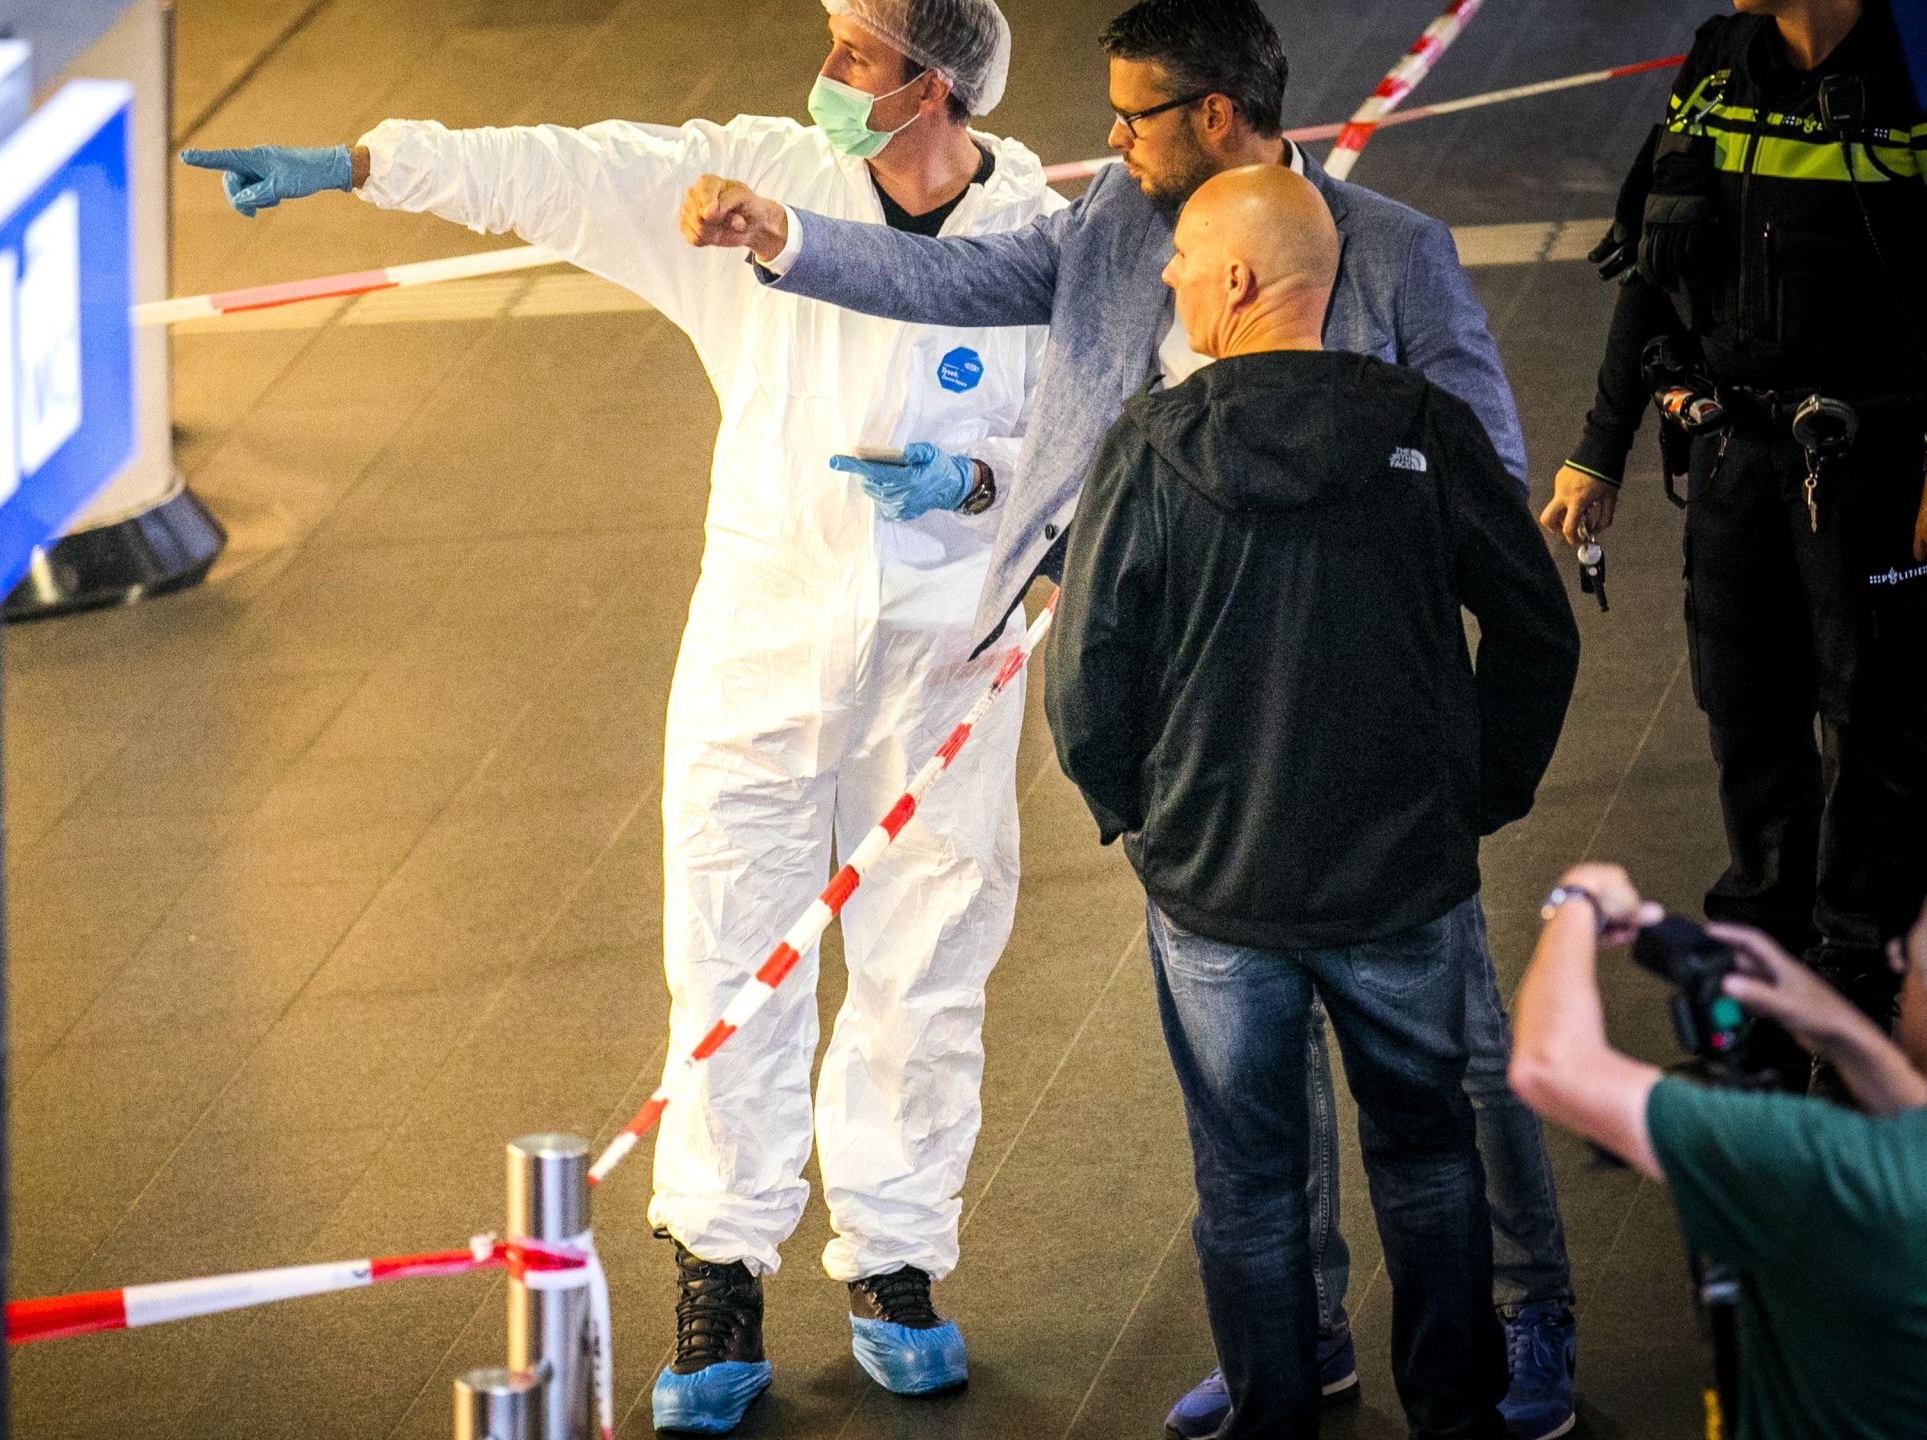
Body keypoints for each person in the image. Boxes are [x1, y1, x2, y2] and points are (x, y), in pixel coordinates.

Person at [680, 3, 1583, 1434]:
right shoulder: (1106, 225)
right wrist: (785, 239)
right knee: (1254, 1099)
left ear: (1216, 116)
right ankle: (1293, 1338)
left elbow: (1488, 485)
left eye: (1132, 118)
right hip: (1211, 745)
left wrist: (1472, 778)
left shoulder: (1388, 250)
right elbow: (962, 281)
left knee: (1454, 1080)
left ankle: (1531, 1321)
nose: (1103, 146)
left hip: (1378, 750)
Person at [179, 2, 1056, 1430]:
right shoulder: (757, 186)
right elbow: (564, 166)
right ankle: (719, 1269)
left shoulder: (1035, 240)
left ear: (938, 85)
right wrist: (363, 162)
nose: (826, 75)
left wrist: (962, 495)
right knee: (727, 948)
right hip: (767, 644)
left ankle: (897, 1259)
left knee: (932, 946)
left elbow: (1071, 446)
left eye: (858, 54)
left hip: (949, 664)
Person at [1041, 162, 1579, 1440]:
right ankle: (1457, 1412)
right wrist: (1473, 797)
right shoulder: (1424, 429)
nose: (1164, 276)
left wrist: (1150, 825)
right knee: (1430, 1154)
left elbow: (1087, 685)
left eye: (1179, 261)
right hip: (1404, 879)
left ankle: (1278, 1410)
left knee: (1249, 1180)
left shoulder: (1150, 450)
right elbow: (1535, 635)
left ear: (1235, 282)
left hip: (1220, 894)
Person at [1541, 0, 1927, 1093]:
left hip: (1878, 471)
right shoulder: (1717, 66)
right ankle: (1760, 983)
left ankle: (1854, 984)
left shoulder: (1914, 66)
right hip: (1736, 461)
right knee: (1746, 717)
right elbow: (1652, 268)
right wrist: (1597, 449)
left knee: (1882, 730)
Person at [1509, 864, 1927, 1439]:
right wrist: (1838, 1028)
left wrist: (1578, 897)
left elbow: (1550, 1066)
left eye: (1910, 961)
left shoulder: (1844, 1169)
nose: (1898, 965)